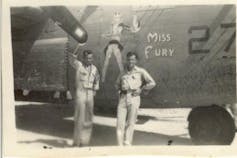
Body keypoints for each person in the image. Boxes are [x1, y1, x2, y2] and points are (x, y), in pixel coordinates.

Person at [115, 52, 156, 146]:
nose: (130, 61)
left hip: (134, 98)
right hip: (123, 98)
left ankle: (127, 143)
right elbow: (116, 84)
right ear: (126, 60)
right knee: (120, 123)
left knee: (131, 122)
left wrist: (141, 89)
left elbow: (152, 83)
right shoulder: (122, 73)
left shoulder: (141, 71)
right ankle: (119, 145)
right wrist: (119, 91)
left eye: (133, 59)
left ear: (136, 60)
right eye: (129, 59)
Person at [68, 49, 100, 147]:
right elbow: (72, 60)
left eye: (91, 58)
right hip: (81, 92)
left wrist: (95, 89)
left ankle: (84, 142)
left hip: (90, 93)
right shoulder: (79, 66)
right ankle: (76, 142)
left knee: (89, 118)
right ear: (83, 58)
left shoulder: (95, 68)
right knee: (79, 118)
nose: (90, 60)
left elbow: (97, 79)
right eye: (87, 58)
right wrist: (75, 52)